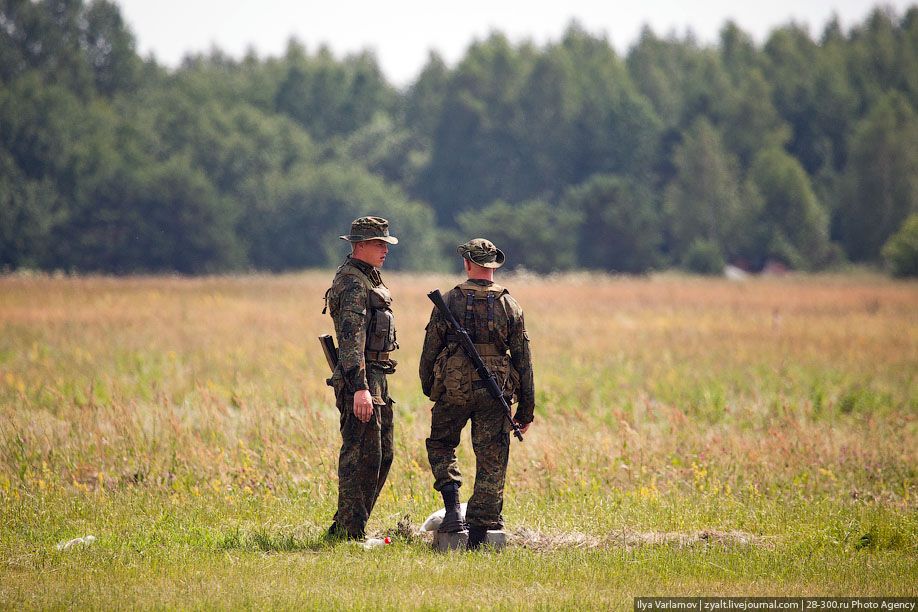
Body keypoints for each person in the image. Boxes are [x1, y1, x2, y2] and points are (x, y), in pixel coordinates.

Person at [419, 238, 535, 549]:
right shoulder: (510, 305)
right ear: (494, 265)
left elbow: (430, 350)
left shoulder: (450, 300)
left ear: (468, 263)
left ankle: (454, 509)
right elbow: (523, 360)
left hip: (453, 388)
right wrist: (526, 410)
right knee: (492, 457)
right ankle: (483, 532)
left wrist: (431, 386)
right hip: (495, 389)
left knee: (442, 444)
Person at [324, 216, 399, 540]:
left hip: (377, 377)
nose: (385, 249)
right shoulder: (353, 283)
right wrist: (360, 389)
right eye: (379, 243)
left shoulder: (369, 277)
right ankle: (348, 532)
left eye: (386, 243)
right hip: (362, 379)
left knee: (382, 454)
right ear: (360, 246)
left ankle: (349, 525)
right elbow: (351, 340)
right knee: (360, 455)